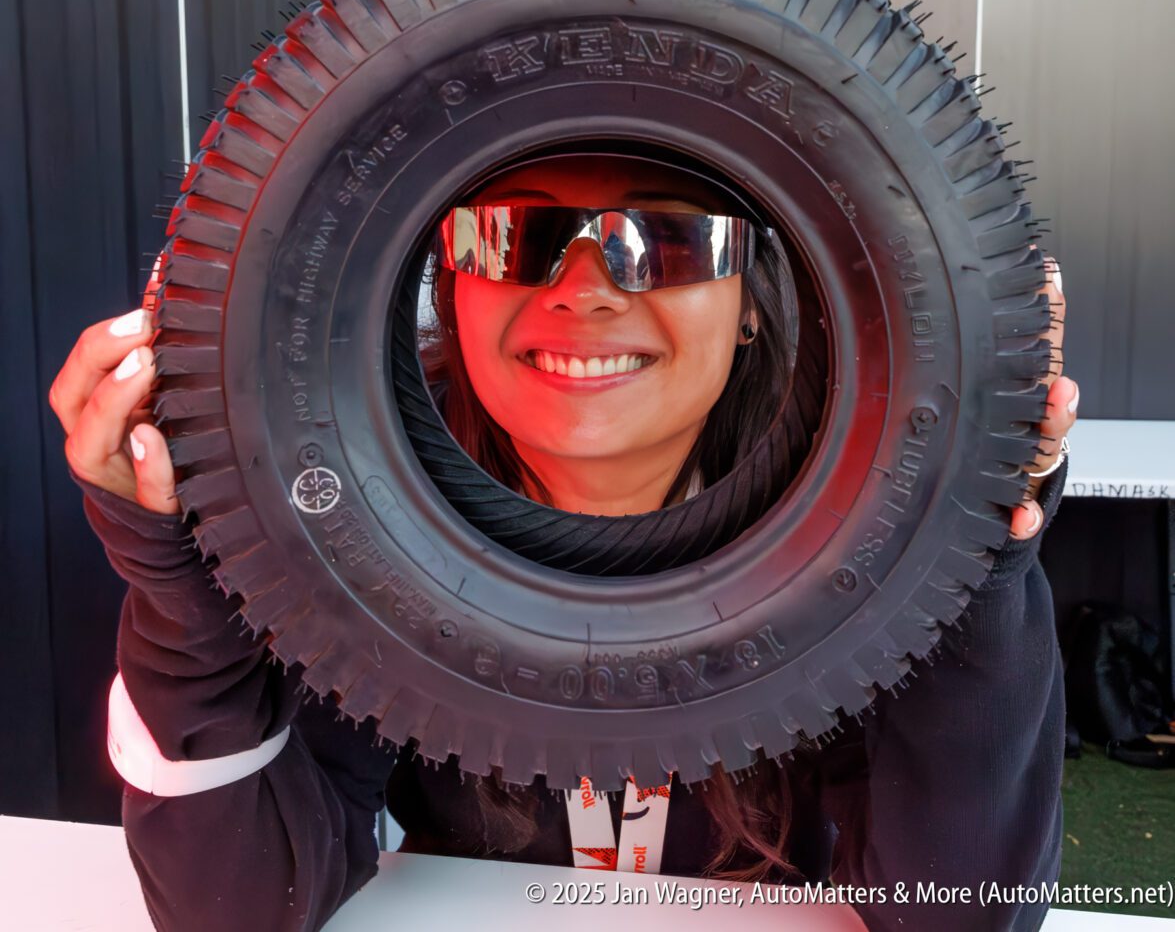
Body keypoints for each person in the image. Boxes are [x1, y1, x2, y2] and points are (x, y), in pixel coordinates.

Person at [51, 151, 1077, 932]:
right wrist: (189, 601)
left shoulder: (862, 538)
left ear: (756, 305)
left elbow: (959, 912)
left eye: (664, 239)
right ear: (449, 286)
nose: (584, 286)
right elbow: (246, 906)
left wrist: (963, 550)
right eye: (513, 236)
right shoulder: (360, 538)